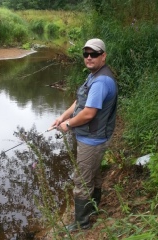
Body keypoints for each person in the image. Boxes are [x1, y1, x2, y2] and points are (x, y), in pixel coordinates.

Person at [51, 38, 118, 231]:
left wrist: (68, 124)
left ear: (103, 56)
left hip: (93, 139)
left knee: (82, 180)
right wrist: (62, 117)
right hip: (92, 137)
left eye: (94, 54)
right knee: (94, 175)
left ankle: (82, 224)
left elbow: (89, 113)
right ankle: (94, 209)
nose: (89, 58)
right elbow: (79, 101)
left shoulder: (101, 82)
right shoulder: (94, 75)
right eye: (86, 54)